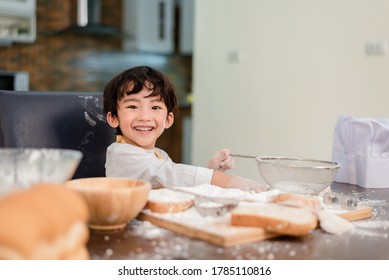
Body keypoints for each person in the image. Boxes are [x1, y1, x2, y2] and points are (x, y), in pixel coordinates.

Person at [103, 66, 268, 193]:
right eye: (133, 106)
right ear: (113, 118)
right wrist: (224, 180)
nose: (144, 116)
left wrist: (211, 170)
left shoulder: (159, 154)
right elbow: (169, 173)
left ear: (168, 119)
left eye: (155, 107)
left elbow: (175, 185)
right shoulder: (120, 153)